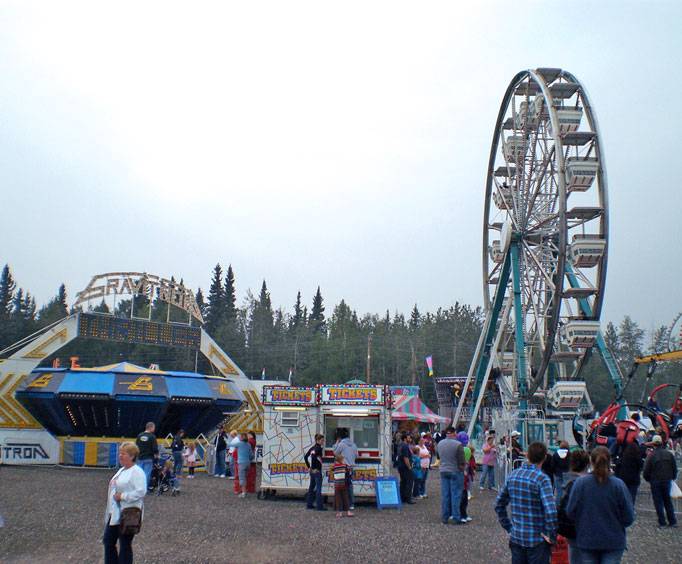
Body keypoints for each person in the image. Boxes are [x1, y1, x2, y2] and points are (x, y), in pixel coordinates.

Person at [566, 447, 634, 563]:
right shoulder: (618, 485)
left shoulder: (580, 484)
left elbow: (570, 512)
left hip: (587, 539)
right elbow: (629, 517)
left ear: (591, 462)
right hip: (613, 540)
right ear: (610, 461)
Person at [495, 441, 557, 564]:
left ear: (527, 455)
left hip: (517, 536)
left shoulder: (513, 475)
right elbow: (550, 511)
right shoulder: (542, 479)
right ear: (544, 457)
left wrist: (509, 527)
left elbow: (499, 504)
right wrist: (551, 534)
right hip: (537, 539)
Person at [103, 442, 146, 564]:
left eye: (123, 454)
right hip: (115, 513)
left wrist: (123, 496)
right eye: (120, 453)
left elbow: (141, 491)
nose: (120, 456)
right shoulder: (122, 470)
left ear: (132, 456)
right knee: (108, 541)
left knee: (125, 544)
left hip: (128, 514)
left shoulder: (137, 472)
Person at [557, 449, 590, 564]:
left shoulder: (567, 481)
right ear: (587, 464)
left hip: (571, 531)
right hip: (585, 529)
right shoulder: (586, 482)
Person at [642, 434, 678, 528]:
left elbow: (646, 470)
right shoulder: (669, 454)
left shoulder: (651, 455)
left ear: (653, 444)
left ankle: (662, 522)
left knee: (658, 502)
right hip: (667, 480)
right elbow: (674, 467)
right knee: (667, 501)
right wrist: (673, 477)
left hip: (655, 481)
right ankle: (672, 521)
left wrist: (648, 479)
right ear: (662, 443)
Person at [437, 426, 466, 524]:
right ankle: (456, 517)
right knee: (456, 495)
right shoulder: (458, 444)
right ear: (454, 433)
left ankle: (445, 517)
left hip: (443, 471)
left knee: (445, 495)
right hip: (455, 471)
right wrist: (463, 470)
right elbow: (461, 461)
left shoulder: (440, 443)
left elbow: (438, 456)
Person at [333, 428, 358, 509]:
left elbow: (335, 453)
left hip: (344, 468)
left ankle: (343, 505)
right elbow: (357, 455)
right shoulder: (354, 444)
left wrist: (337, 442)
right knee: (350, 485)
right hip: (351, 468)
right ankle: (351, 504)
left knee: (342, 487)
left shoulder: (341, 444)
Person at [614, 441, 643, 506]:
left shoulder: (623, 457)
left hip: (624, 478)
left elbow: (617, 467)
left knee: (623, 496)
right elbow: (641, 466)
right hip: (634, 479)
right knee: (632, 497)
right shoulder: (637, 457)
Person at [304, 433, 326, 511]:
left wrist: (309, 467)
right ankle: (319, 506)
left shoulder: (312, 448)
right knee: (318, 489)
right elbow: (315, 458)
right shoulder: (318, 448)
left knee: (311, 488)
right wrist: (314, 468)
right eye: (322, 440)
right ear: (318, 440)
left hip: (312, 471)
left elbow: (306, 456)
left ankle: (309, 504)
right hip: (317, 471)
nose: (323, 442)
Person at [135, 422, 158, 489]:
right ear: (151, 427)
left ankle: (137, 487)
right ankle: (144, 488)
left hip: (140, 458)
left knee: (139, 474)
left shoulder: (139, 435)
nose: (154, 429)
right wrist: (156, 455)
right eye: (154, 427)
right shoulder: (152, 437)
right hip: (148, 458)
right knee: (146, 474)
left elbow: (136, 446)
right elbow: (155, 449)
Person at [331, 453, 353, 517]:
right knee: (346, 498)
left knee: (338, 499)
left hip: (337, 485)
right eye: (343, 459)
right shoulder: (344, 466)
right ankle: (348, 512)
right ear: (341, 460)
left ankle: (339, 513)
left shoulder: (334, 466)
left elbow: (331, 470)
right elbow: (349, 472)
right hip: (344, 484)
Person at [396, 432, 415, 505]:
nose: (410, 439)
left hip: (400, 466)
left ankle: (402, 497)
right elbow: (405, 458)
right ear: (405, 438)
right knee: (409, 482)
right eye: (409, 437)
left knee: (403, 482)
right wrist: (409, 467)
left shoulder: (400, 445)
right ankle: (408, 498)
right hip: (405, 467)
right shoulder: (405, 446)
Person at [235, 432, 254, 498]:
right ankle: (244, 490)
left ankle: (243, 493)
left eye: (240, 437)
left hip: (241, 463)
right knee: (245, 477)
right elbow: (251, 455)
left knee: (242, 478)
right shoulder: (248, 444)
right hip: (248, 463)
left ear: (242, 438)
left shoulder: (239, 444)